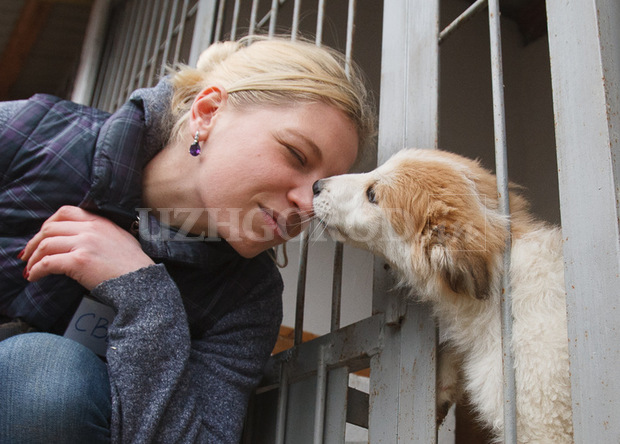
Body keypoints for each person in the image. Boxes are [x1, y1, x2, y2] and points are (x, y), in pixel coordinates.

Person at [0, 35, 375, 443]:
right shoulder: (32, 134)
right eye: (295, 155)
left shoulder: (248, 299)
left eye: (320, 190)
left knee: (46, 376)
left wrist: (144, 296)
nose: (305, 204)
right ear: (209, 112)